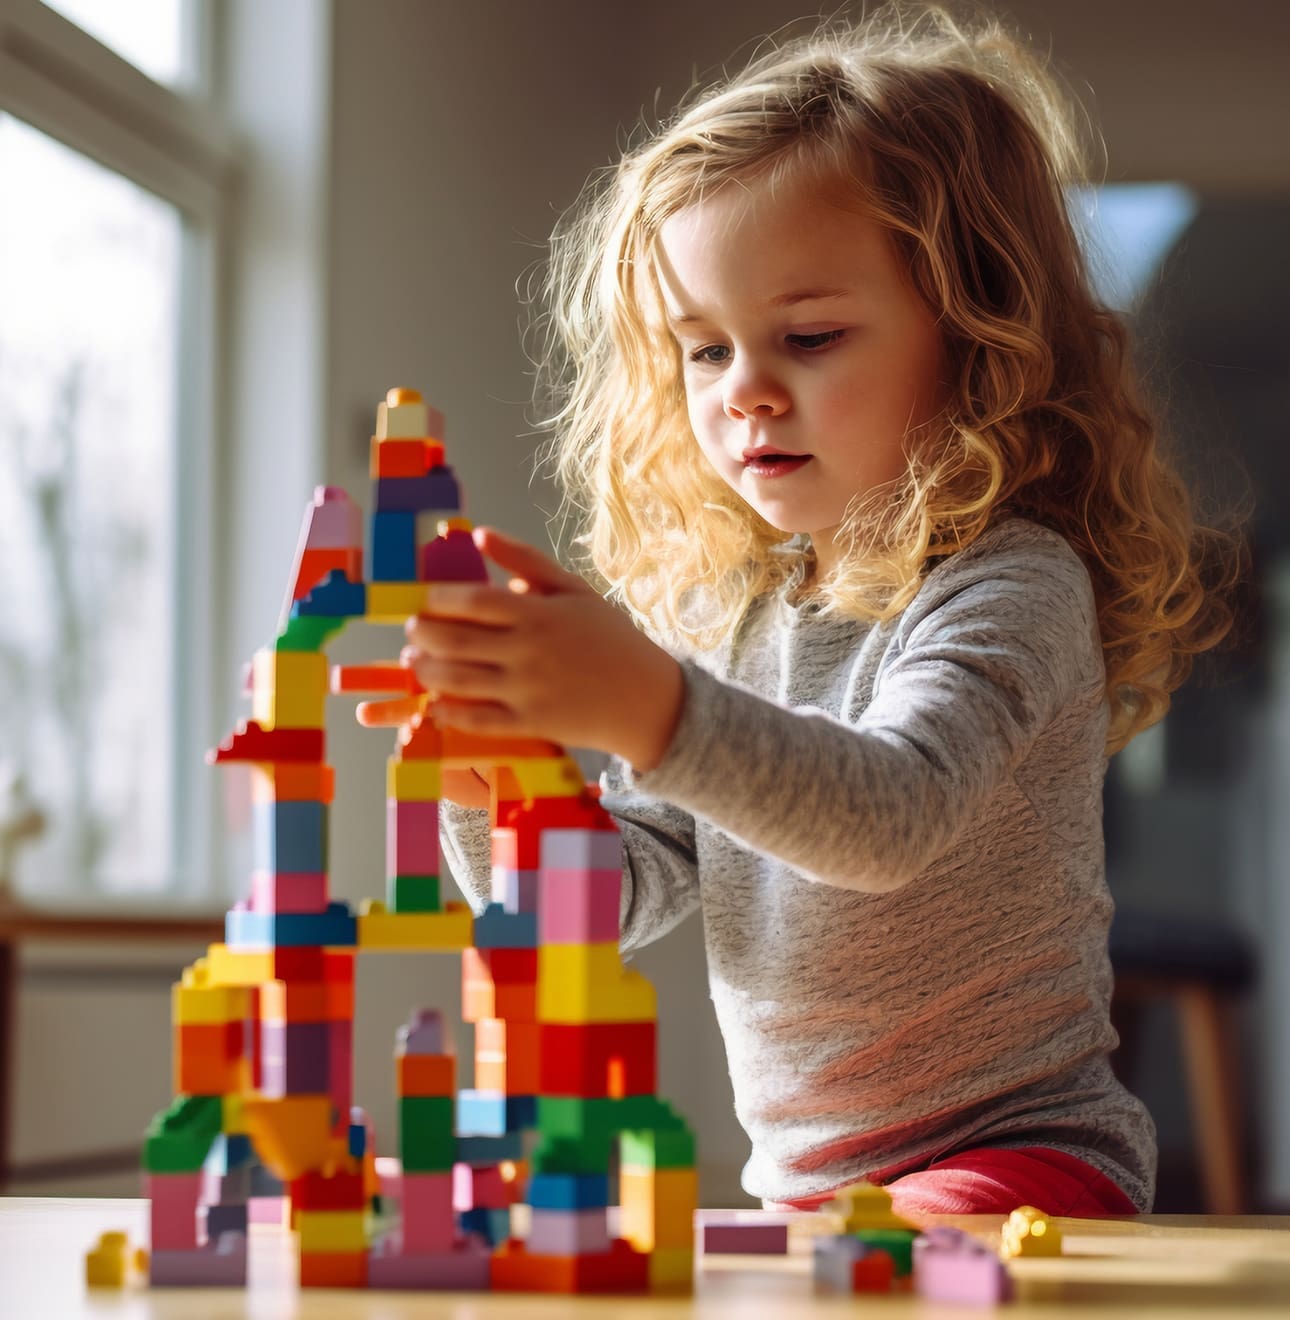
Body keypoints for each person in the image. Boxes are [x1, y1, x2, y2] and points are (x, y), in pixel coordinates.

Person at [398, 4, 1237, 1216]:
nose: (744, 390)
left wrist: (649, 707)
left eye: (807, 336)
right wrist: (503, 801)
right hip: (810, 1188)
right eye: (701, 351)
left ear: (975, 339)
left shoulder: (1011, 583)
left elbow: (890, 813)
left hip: (1026, 1157)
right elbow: (621, 892)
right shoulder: (734, 618)